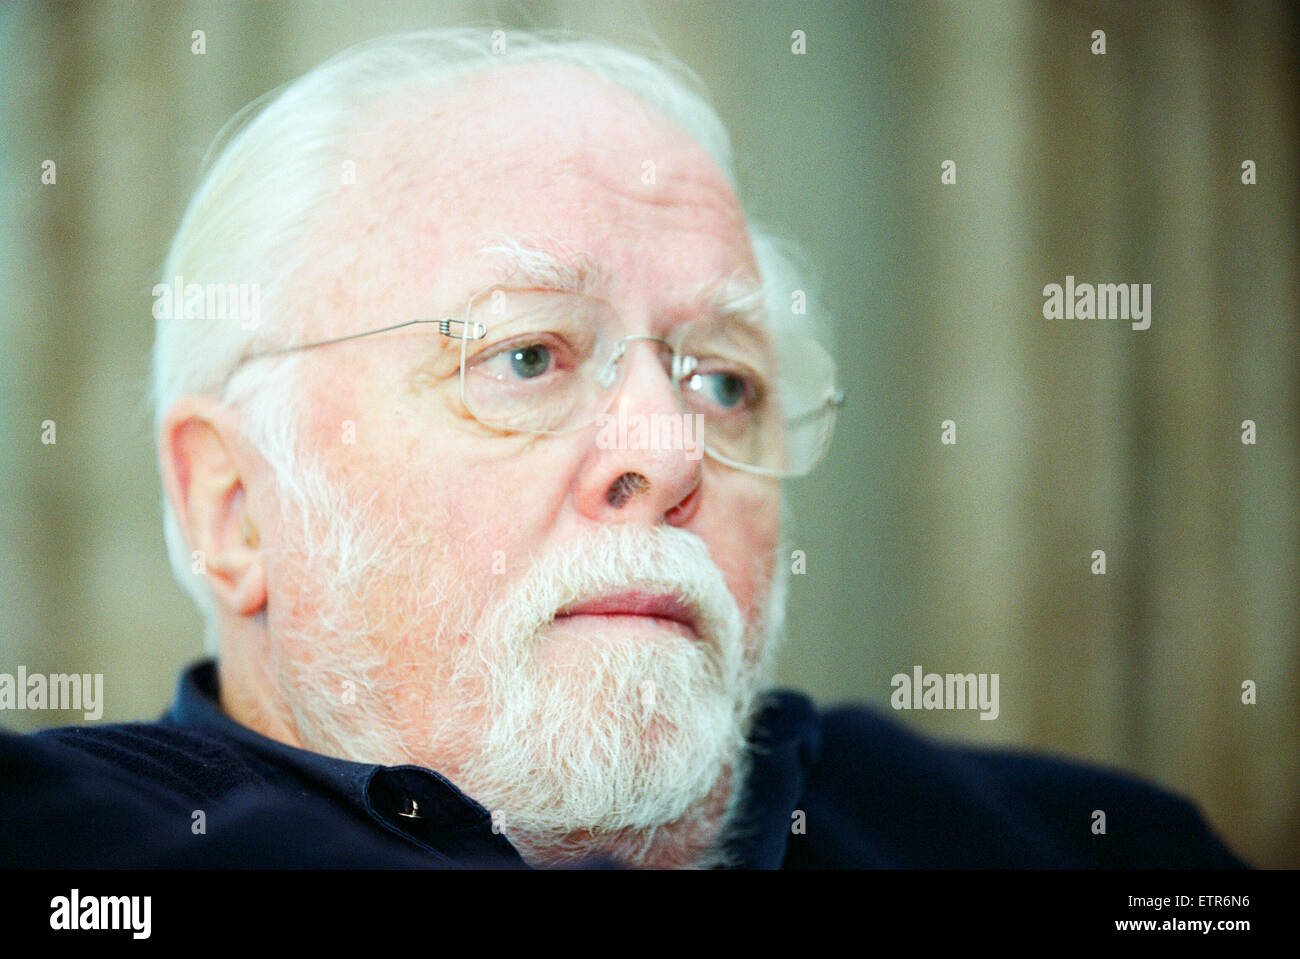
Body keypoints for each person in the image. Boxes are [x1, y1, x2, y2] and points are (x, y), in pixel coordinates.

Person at [0, 28, 1245, 869]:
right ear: (234, 508)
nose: (670, 448)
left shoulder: (1086, 847)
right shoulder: (73, 845)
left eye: (721, 379)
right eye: (528, 357)